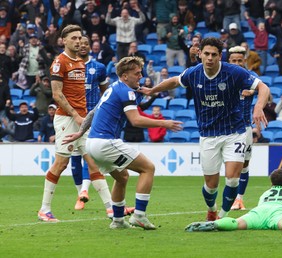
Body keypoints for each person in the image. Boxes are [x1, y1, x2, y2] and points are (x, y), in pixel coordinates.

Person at [139, 37, 269, 221]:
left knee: (232, 178)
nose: (209, 58)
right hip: (208, 134)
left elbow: (263, 87)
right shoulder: (193, 73)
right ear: (200, 54)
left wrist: (258, 107)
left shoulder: (234, 72)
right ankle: (212, 208)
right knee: (211, 186)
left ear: (220, 56)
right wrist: (153, 91)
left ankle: (222, 218)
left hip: (235, 132)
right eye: (206, 54)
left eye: (214, 55)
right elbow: (174, 81)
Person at [62, 56, 183, 229]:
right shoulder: (126, 91)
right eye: (136, 73)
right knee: (148, 168)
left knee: (122, 177)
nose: (140, 76)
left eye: (140, 72)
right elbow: (136, 120)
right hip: (105, 142)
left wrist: (80, 133)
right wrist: (165, 123)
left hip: (92, 144)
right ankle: (139, 215)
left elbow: (93, 113)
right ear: (125, 76)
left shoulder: (113, 88)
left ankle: (118, 221)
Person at [37, 25, 113, 222]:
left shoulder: (80, 62)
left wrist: (83, 116)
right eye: (74, 38)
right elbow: (57, 94)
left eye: (80, 37)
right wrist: (75, 115)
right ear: (64, 41)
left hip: (82, 118)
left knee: (93, 161)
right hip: (66, 119)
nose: (78, 41)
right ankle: (44, 209)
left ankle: (111, 208)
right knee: (61, 163)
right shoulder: (59, 62)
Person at [185, 168, 282, 233]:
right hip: (280, 213)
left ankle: (216, 224)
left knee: (237, 223)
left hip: (259, 213)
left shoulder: (266, 193)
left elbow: (262, 207)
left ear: (271, 182)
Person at [70, 35, 111, 211]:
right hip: (72, 117)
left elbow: (105, 92)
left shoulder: (99, 68)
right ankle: (80, 194)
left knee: (89, 155)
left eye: (87, 43)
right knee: (74, 159)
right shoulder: (69, 67)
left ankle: (85, 191)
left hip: (92, 116)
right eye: (81, 44)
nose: (83, 46)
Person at [226, 46, 258, 211]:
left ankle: (239, 199)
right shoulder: (223, 76)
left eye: (240, 60)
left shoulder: (251, 77)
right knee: (231, 166)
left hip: (245, 127)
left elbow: (263, 92)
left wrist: (252, 91)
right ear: (229, 61)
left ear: (244, 61)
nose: (237, 63)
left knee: (244, 164)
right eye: (234, 61)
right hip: (225, 127)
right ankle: (229, 198)